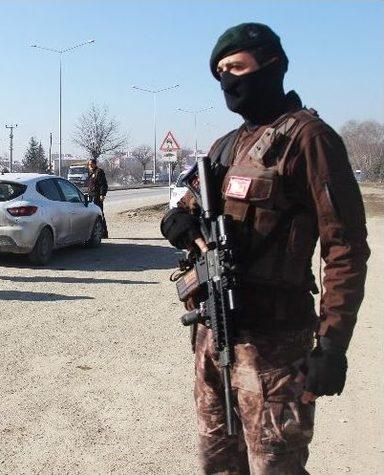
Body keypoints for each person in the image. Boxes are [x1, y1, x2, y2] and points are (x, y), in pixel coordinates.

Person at [160, 23, 370, 474]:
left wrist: (332, 345)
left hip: (276, 348)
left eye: (236, 67)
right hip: (215, 338)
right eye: (220, 73)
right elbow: (191, 207)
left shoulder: (309, 139)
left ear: (272, 64)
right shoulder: (226, 146)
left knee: (276, 466)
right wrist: (177, 221)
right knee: (217, 464)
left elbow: (346, 247)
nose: (228, 82)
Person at [86, 158, 109, 238]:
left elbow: (103, 184)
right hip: (91, 195)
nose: (90, 166)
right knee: (92, 214)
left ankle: (104, 233)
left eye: (91, 164)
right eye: (89, 165)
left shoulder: (99, 172)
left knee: (99, 213)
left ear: (95, 164)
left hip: (97, 196)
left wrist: (102, 194)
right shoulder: (90, 172)